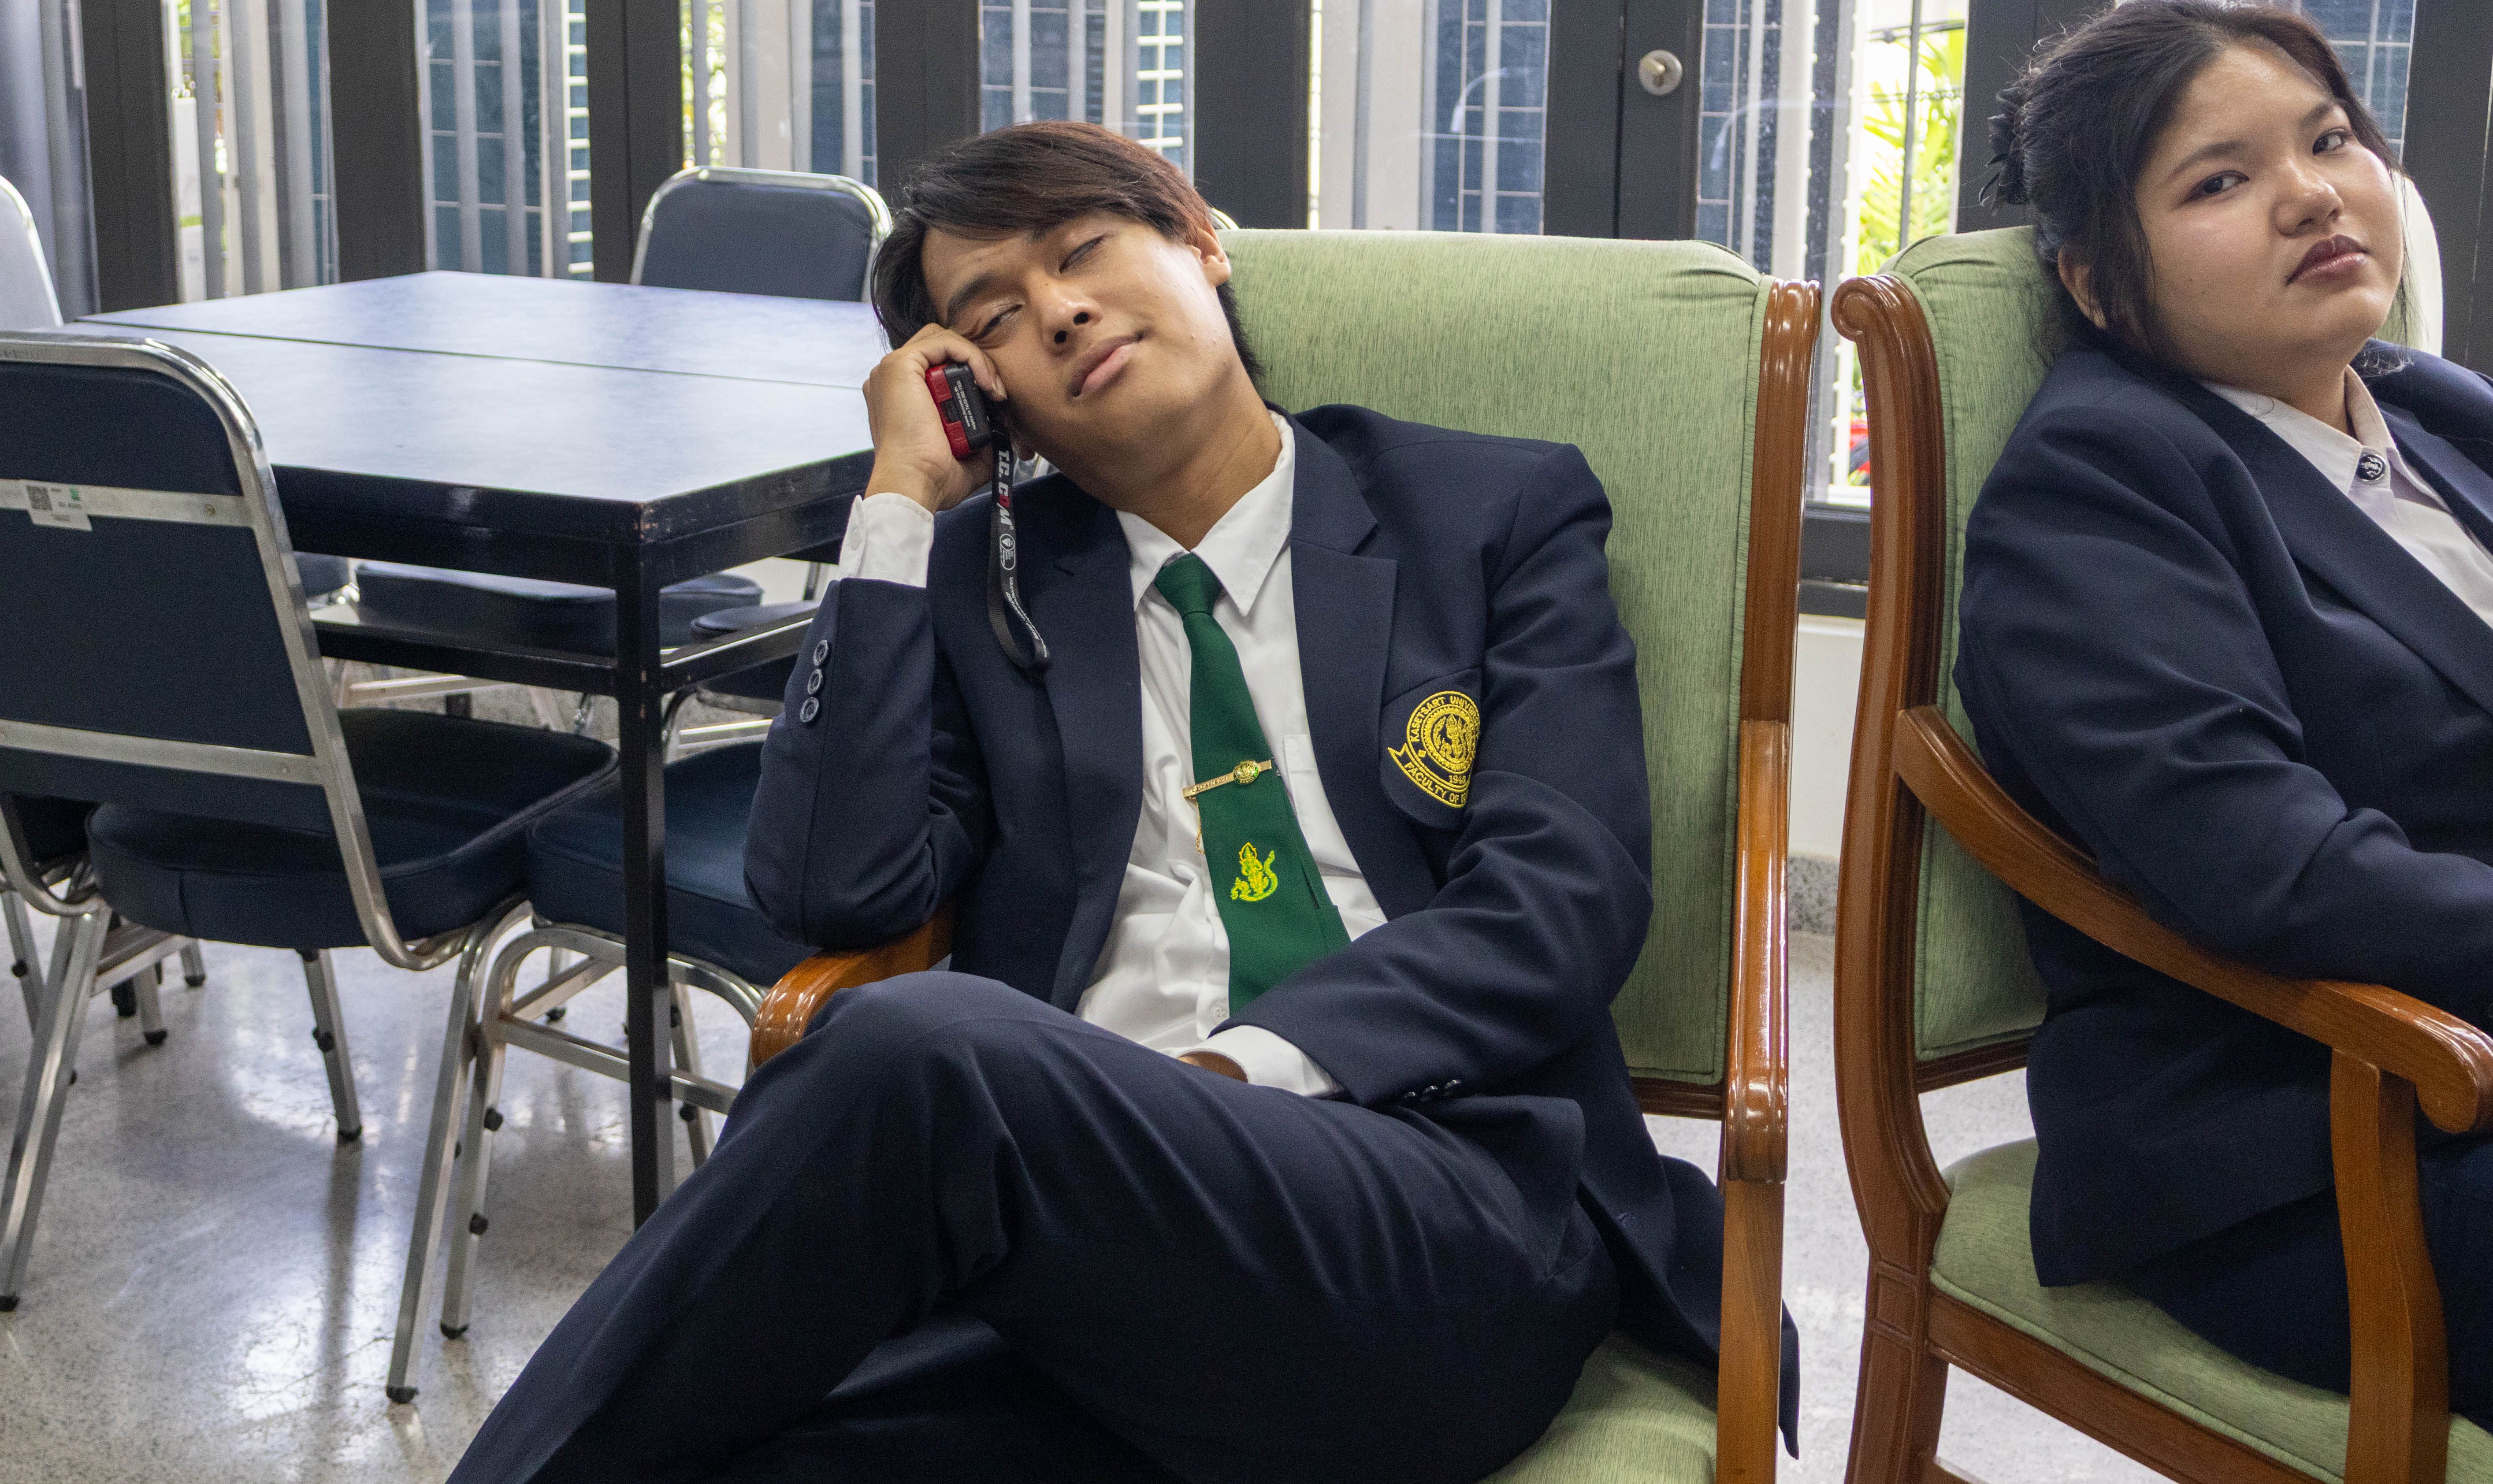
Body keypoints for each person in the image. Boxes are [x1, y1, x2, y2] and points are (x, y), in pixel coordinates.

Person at [445, 121, 1791, 1484]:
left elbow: (1559, 901)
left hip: (1432, 1219)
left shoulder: (1487, 513)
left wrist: (1220, 1078)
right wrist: (899, 501)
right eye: (995, 320)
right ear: (990, 401)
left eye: (1083, 249)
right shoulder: (988, 589)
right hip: (1091, 1275)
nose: (1061, 311)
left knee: (916, 1047)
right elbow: (830, 887)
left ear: (1200, 242)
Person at [1957, 0, 2493, 1426]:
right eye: (2220, 181)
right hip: (2321, 1139)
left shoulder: (2437, 416)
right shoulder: (2099, 485)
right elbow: (2276, 870)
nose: (2313, 195)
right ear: (2099, 286)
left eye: (2329, 140)